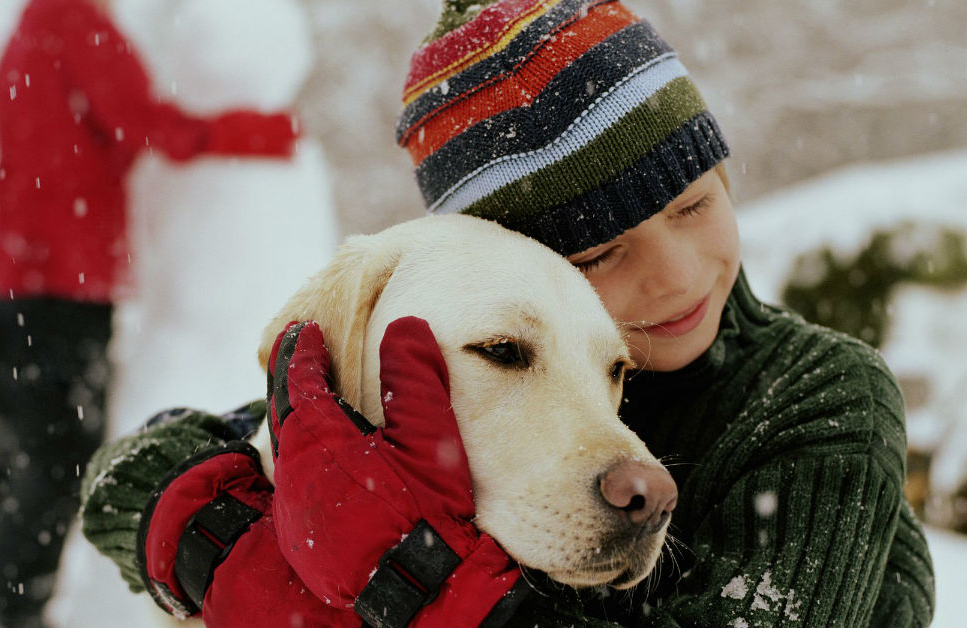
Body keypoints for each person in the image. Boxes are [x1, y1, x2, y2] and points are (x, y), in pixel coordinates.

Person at [78, 0, 936, 626]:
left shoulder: (822, 397)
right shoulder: (441, 366)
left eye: (694, 206)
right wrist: (230, 543)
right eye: (599, 253)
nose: (675, 277)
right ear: (519, 269)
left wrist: (405, 581)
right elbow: (127, 476)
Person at [0, 0, 299, 625]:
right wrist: (249, 134)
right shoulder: (80, 27)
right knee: (56, 449)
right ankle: (11, 607)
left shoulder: (33, 27)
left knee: (12, 441)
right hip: (61, 283)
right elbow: (147, 124)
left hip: (11, 276)